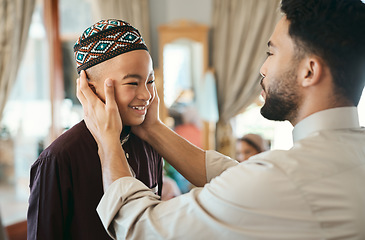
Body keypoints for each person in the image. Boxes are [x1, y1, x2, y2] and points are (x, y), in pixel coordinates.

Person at [77, 0, 365, 239]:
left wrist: (109, 143)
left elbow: (141, 228)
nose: (263, 68)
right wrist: (152, 129)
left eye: (271, 52)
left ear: (309, 71)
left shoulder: (290, 178)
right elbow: (238, 178)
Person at [27, 19, 163, 240]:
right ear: (90, 88)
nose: (147, 95)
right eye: (132, 83)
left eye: (150, 81)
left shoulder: (150, 145)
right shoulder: (58, 159)